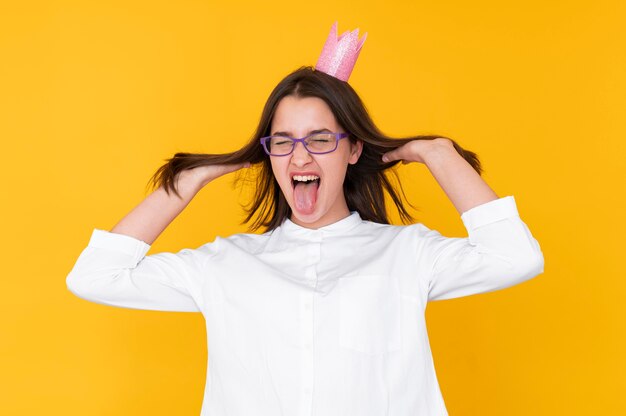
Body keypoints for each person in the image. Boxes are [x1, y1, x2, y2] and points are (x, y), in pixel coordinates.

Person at [66, 22, 544, 416]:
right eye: (283, 141)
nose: (300, 157)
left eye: (320, 139)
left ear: (354, 148)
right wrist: (195, 178)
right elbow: (95, 276)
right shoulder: (226, 264)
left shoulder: (407, 253)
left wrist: (435, 153)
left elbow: (515, 256)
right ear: (267, 152)